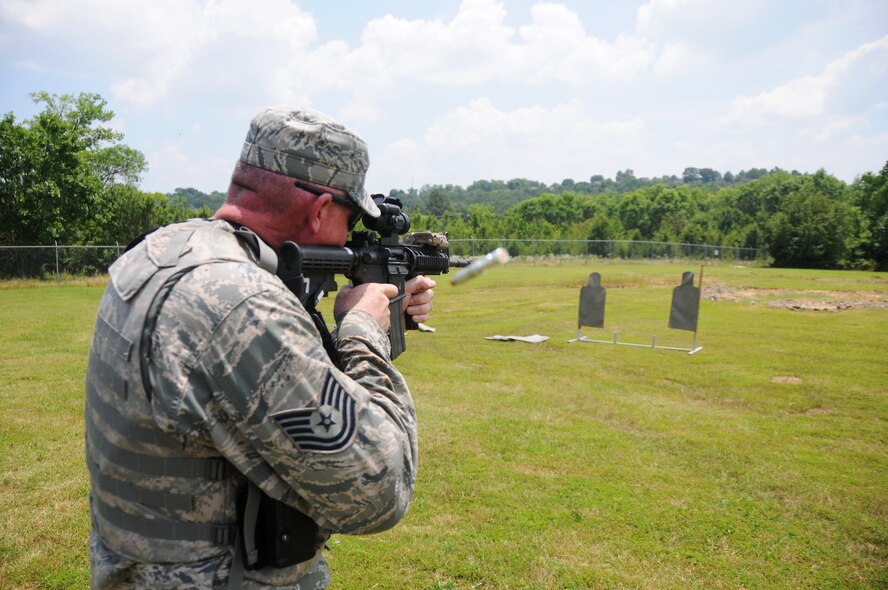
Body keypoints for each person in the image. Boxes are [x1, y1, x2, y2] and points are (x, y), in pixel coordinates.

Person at [84, 106, 436, 589]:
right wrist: (363, 331)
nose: (350, 237)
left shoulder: (159, 254)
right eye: (350, 219)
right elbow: (379, 488)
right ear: (318, 211)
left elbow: (250, 388)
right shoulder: (243, 306)